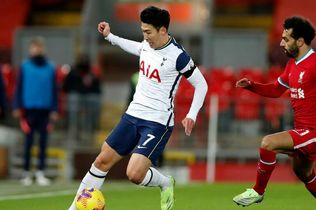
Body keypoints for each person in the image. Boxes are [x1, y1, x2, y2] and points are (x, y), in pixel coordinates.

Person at [67, 6, 208, 210]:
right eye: (143, 31)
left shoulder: (178, 56)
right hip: (133, 114)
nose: (145, 36)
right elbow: (137, 47)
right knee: (102, 160)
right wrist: (110, 36)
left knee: (134, 174)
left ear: (163, 30)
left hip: (157, 122)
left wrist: (192, 114)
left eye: (148, 32)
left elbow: (201, 84)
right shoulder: (147, 45)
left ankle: (165, 182)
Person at [232, 16, 316, 210]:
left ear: (300, 41)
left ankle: (258, 192)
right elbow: (275, 90)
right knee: (303, 173)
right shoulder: (292, 65)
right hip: (303, 132)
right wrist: (252, 86)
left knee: (268, 143)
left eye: (286, 39)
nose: (281, 43)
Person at [13, 37, 59, 186]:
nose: (36, 50)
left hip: (45, 110)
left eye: (39, 47)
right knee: (28, 142)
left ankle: (40, 172)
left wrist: (54, 109)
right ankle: (26, 173)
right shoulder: (24, 67)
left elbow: (55, 90)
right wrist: (16, 106)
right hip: (28, 110)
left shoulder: (50, 68)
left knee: (43, 143)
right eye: (34, 47)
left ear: (43, 48)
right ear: (30, 49)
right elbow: (18, 88)